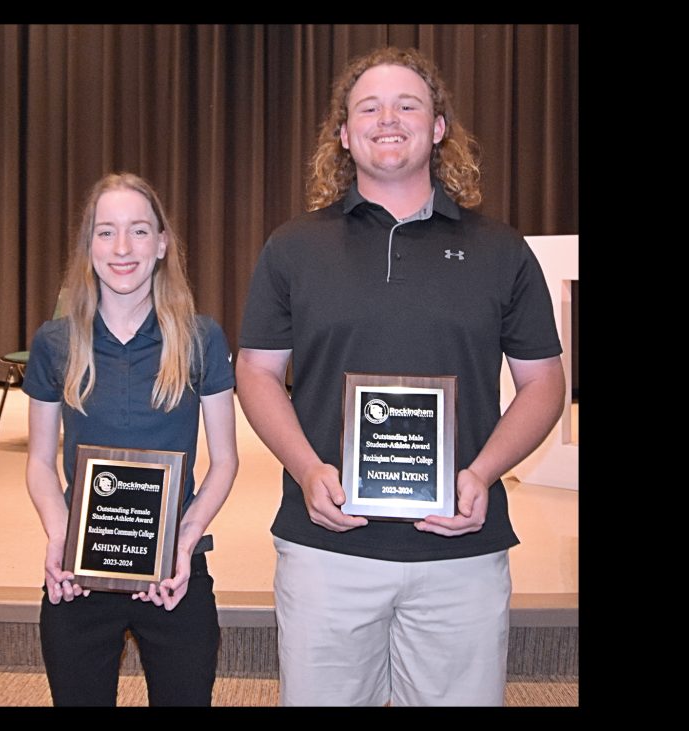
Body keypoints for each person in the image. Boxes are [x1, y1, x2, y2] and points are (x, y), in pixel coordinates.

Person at [236, 46, 566, 707]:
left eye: (408, 104)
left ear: (438, 127)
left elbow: (544, 384)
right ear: (343, 133)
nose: (389, 118)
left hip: (460, 553)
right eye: (369, 106)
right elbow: (257, 372)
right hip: (326, 547)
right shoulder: (292, 247)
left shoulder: (500, 249)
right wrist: (306, 470)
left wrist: (480, 473)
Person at [23, 172, 238, 706]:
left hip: (175, 570)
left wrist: (185, 542)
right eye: (106, 232)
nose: (122, 248)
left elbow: (226, 462)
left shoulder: (201, 337)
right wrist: (57, 538)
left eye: (139, 231)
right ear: (88, 245)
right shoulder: (55, 342)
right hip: (79, 569)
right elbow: (40, 464)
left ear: (162, 244)